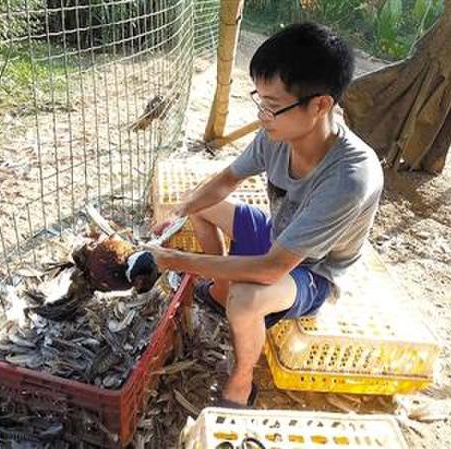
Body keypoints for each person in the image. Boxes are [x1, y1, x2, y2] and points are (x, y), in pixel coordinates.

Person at [145, 22, 384, 408]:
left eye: (272, 105)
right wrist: (181, 210)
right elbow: (226, 180)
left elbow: (272, 268)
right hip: (279, 234)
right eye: (260, 100)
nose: (262, 116)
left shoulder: (350, 177)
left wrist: (173, 259)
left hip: (312, 271)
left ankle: (241, 385)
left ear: (320, 105)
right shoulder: (277, 135)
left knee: (244, 299)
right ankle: (219, 290)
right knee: (202, 207)